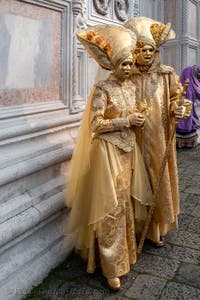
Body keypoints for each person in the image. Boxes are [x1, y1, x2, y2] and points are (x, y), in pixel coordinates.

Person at [65, 24, 152, 290]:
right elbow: (96, 125)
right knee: (109, 208)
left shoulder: (130, 88)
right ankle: (109, 265)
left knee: (123, 203)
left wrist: (139, 118)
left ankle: (124, 257)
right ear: (112, 65)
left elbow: (132, 116)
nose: (127, 69)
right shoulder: (102, 90)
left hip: (127, 151)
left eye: (129, 64)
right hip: (107, 153)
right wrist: (127, 121)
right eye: (123, 64)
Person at [124, 16, 191, 247]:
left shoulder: (166, 74)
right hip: (131, 137)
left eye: (150, 49)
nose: (146, 54)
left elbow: (175, 98)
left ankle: (155, 228)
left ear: (156, 51)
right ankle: (133, 227)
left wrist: (179, 109)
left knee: (156, 178)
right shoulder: (125, 75)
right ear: (134, 51)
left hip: (159, 138)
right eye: (141, 49)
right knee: (133, 179)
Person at [176, 65, 200, 148]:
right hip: (185, 110)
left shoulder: (180, 85)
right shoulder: (193, 85)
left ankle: (181, 144)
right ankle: (186, 143)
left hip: (187, 110)